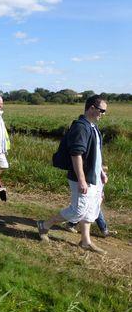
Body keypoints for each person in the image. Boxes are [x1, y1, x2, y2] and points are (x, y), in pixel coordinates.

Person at [37, 95, 109, 255]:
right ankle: (44, 225)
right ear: (91, 108)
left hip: (94, 176)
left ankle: (85, 241)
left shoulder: (93, 127)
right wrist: (82, 180)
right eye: (102, 110)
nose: (103, 114)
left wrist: (101, 172)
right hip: (81, 178)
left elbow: (96, 154)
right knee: (78, 211)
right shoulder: (81, 127)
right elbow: (76, 154)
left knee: (90, 209)